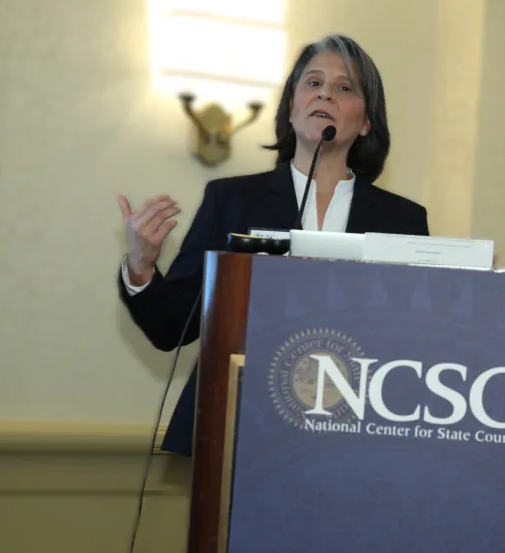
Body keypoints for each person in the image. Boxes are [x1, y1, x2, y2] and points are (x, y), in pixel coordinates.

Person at [116, 34, 430, 456]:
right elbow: (173, 328)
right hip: (238, 428)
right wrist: (141, 265)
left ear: (367, 122)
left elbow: (416, 343)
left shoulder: (403, 220)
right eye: (313, 83)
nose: (325, 94)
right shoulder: (232, 201)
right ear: (292, 107)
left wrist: (469, 292)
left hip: (356, 436)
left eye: (344, 87)